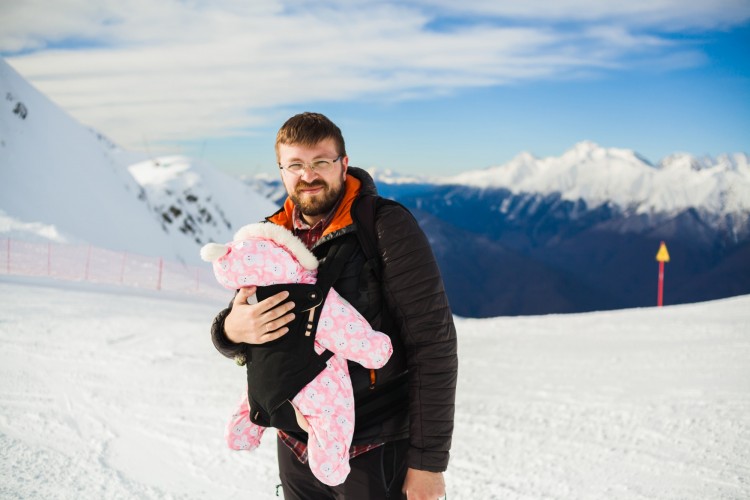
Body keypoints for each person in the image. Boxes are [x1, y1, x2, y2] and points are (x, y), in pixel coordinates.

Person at [210, 112, 458, 499]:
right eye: (295, 165)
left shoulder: (384, 226)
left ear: (343, 165)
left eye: (320, 162)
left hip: (375, 448)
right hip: (294, 443)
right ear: (281, 171)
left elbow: (434, 345)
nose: (308, 175)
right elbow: (241, 317)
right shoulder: (271, 236)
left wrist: (427, 464)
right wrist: (229, 331)